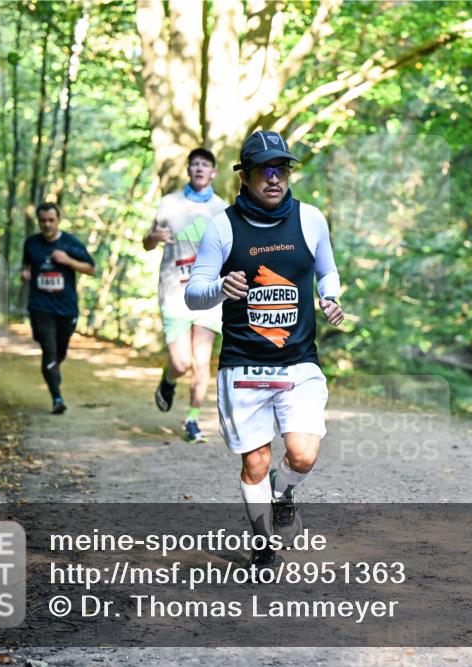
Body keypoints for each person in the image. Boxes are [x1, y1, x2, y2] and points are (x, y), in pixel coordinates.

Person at [186, 130, 344, 571]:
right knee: (255, 461)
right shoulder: (222, 226)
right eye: (264, 171)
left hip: (299, 362)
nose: (274, 179)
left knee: (303, 454)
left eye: (282, 170)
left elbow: (327, 272)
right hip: (243, 364)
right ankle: (262, 544)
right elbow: (194, 293)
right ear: (246, 177)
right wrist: (220, 287)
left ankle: (284, 491)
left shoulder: (311, 219)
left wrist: (330, 297)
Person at [144, 148, 228, 442]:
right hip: (174, 291)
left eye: (205, 164)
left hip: (208, 294)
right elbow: (147, 243)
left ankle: (193, 420)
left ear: (213, 172)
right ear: (189, 171)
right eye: (195, 164)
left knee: (202, 361)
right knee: (181, 363)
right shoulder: (170, 204)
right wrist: (153, 238)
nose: (200, 168)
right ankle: (168, 380)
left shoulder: (222, 208)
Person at [21, 202, 96, 414]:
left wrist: (68, 261)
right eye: (43, 221)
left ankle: (53, 368)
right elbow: (26, 264)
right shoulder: (31, 243)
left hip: (66, 308)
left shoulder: (71, 243)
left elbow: (91, 268)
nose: (47, 225)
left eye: (51, 220)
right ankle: (57, 398)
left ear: (58, 220)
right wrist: (25, 273)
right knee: (49, 349)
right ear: (38, 222)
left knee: (59, 352)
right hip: (40, 306)